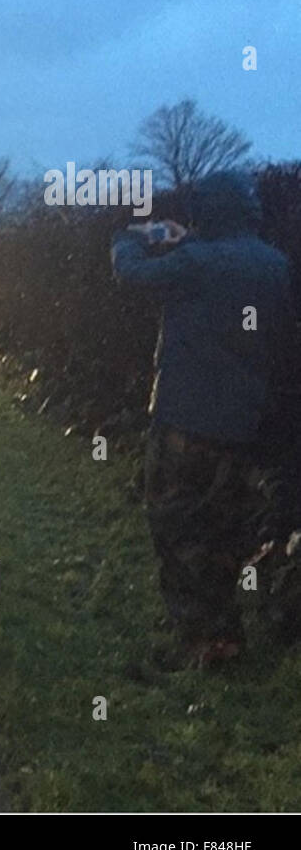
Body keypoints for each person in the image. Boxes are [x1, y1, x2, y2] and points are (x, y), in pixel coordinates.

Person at [111, 170, 295, 669]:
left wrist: (130, 238)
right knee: (223, 528)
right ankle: (225, 630)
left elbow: (131, 273)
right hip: (246, 423)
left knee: (176, 526)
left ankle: (202, 641)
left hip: (186, 422)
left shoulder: (196, 261)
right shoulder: (275, 264)